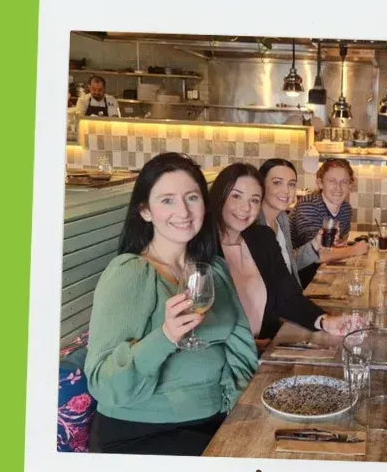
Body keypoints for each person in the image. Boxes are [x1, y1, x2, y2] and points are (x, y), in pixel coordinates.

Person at [84, 153, 258, 456]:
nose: (184, 211)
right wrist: (165, 336)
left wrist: (242, 414)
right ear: (145, 211)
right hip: (146, 435)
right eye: (167, 200)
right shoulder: (131, 273)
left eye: (191, 197)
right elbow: (104, 384)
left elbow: (241, 347)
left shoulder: (212, 269)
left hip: (215, 421)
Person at [210, 163, 359, 342]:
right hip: (228, 357)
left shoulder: (262, 237)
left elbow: (287, 297)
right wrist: (250, 348)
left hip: (265, 345)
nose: (246, 207)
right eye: (236, 196)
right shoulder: (202, 248)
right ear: (220, 197)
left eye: (254, 200)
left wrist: (325, 321)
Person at [290, 159, 368, 287]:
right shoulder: (308, 205)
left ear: (350, 185)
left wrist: (342, 247)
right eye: (332, 181)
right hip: (297, 280)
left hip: (321, 276)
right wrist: (355, 249)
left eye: (344, 182)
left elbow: (340, 243)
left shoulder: (345, 209)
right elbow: (318, 255)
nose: (338, 187)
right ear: (320, 183)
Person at [256, 158, 321, 290]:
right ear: (261, 185)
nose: (286, 190)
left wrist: (316, 243)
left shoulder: (282, 218)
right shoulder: (254, 224)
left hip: (290, 298)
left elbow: (289, 264)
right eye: (277, 183)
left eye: (291, 184)